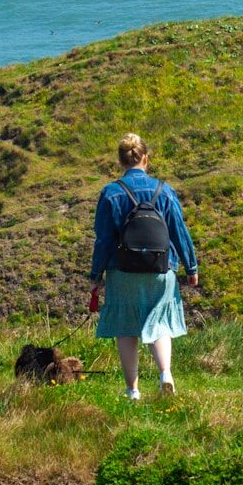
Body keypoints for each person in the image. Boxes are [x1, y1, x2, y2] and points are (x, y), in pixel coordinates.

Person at [89, 133, 199, 399]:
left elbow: (103, 240)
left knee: (126, 328)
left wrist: (95, 276)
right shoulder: (165, 190)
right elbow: (179, 232)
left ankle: (132, 391)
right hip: (161, 268)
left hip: (122, 270)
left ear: (120, 161)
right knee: (159, 323)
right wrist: (191, 267)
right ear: (146, 159)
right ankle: (165, 375)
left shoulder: (111, 193)